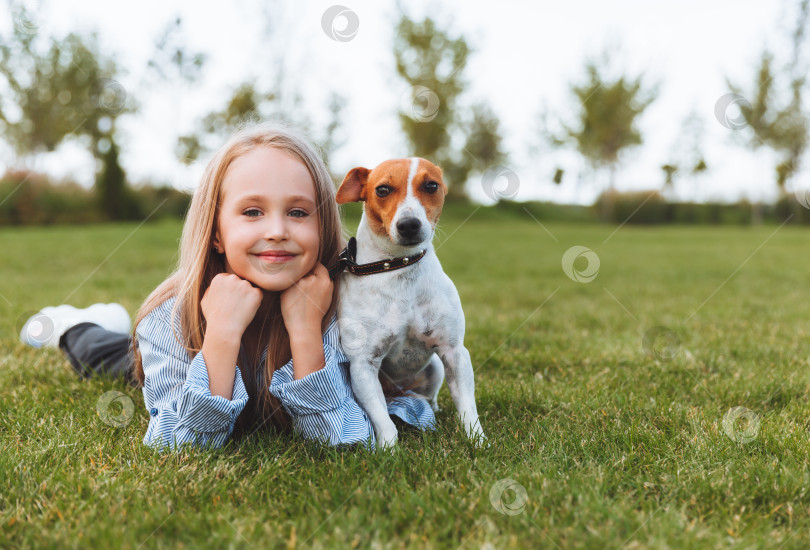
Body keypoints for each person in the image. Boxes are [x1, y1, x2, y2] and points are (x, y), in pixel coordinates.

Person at [19, 124, 436, 451]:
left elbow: (342, 438)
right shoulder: (170, 319)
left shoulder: (343, 310)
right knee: (104, 354)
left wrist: (307, 330)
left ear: (323, 223)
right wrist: (220, 336)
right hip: (179, 366)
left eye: (297, 211)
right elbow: (180, 444)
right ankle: (74, 324)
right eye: (252, 212)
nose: (276, 231)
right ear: (216, 232)